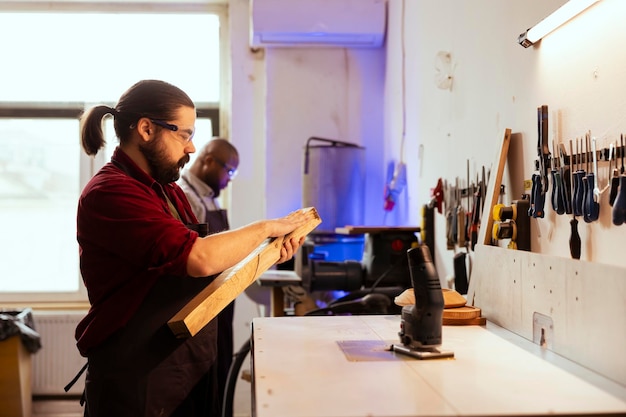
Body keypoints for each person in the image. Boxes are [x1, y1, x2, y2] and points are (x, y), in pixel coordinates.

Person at [74, 79, 309, 417]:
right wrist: (267, 227)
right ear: (145, 129)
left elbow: (212, 268)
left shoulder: (169, 192)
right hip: (138, 376)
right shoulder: (111, 192)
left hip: (188, 364)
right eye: (184, 134)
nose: (191, 148)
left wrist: (269, 250)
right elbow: (198, 258)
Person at [178, 138, 239, 409]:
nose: (229, 179)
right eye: (230, 171)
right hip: (203, 304)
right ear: (209, 161)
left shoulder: (209, 198)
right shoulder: (186, 197)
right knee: (204, 387)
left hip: (222, 305)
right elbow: (198, 259)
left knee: (222, 375)